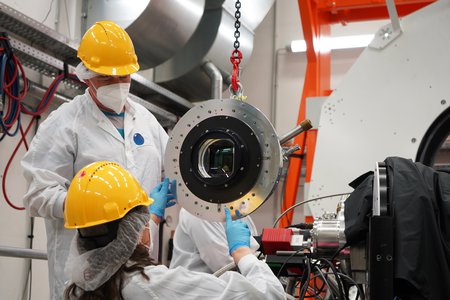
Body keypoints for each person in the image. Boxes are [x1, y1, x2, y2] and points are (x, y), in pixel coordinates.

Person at [21, 21, 171, 300]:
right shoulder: (65, 124)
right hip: (85, 277)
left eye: (123, 77)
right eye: (106, 78)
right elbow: (37, 194)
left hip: (141, 271)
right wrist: (92, 206)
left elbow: (171, 171)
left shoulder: (147, 122)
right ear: (86, 76)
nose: (116, 84)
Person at [63, 162, 286, 300]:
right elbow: (269, 295)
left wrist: (152, 218)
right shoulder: (153, 285)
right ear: (135, 229)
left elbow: (119, 247)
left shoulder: (79, 287)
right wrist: (242, 253)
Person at [170, 207, 259, 273]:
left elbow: (256, 252)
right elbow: (224, 266)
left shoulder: (238, 209)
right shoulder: (197, 211)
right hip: (193, 290)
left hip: (216, 287)